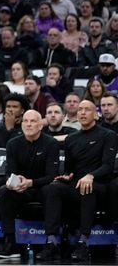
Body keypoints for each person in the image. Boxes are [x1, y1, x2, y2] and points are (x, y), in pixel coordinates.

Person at [38, 100, 118, 262]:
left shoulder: (109, 135)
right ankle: (52, 241)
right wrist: (67, 175)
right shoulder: (71, 139)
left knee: (86, 186)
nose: (82, 112)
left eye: (87, 110)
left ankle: (83, 242)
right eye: (80, 110)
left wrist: (90, 176)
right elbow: (69, 168)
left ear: (96, 114)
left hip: (100, 184)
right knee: (53, 188)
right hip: (76, 182)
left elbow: (108, 166)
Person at [0, 110, 58, 260]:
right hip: (22, 188)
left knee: (52, 190)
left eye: (33, 121)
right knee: (4, 191)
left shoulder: (50, 143)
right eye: (25, 121)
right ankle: (10, 242)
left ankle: (51, 243)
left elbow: (52, 175)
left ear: (41, 125)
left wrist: (31, 182)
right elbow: (9, 172)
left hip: (42, 187)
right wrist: (12, 183)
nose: (28, 124)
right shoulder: (13, 143)